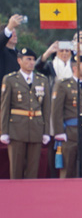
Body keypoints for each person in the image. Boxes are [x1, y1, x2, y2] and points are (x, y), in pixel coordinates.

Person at [0, 47, 51, 179]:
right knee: (16, 169)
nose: (32, 62)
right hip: (17, 128)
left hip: (36, 128)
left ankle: (30, 198)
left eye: (33, 60)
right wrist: (3, 131)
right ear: (19, 61)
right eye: (28, 59)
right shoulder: (10, 79)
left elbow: (46, 107)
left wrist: (46, 131)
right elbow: (5, 107)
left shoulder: (42, 79)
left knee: (33, 169)